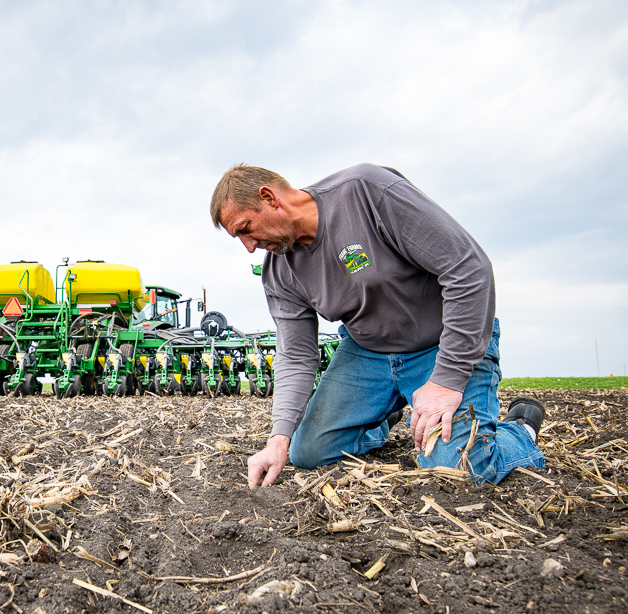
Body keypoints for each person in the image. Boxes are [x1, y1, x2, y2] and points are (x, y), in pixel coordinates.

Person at [209, 163, 546, 489]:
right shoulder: (280, 271)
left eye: (245, 228)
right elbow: (296, 355)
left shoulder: (367, 192)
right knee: (307, 452)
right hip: (368, 352)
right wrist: (278, 438)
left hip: (441, 345)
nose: (249, 246)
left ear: (269, 198)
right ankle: (379, 416)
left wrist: (446, 381)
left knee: (461, 466)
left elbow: (468, 269)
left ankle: (520, 427)